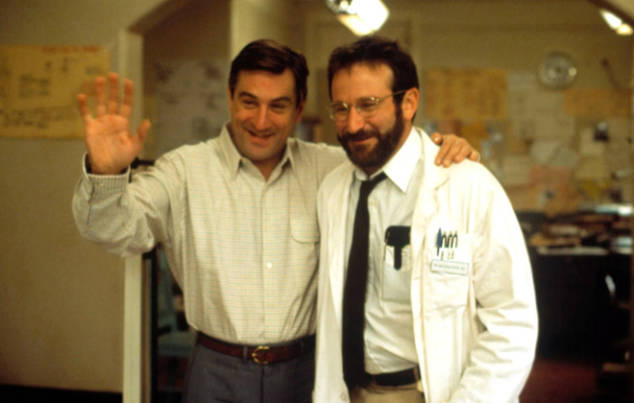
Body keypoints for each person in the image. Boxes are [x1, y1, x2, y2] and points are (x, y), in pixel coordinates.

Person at [72, 39, 477, 403]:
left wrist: (442, 149)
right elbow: (115, 231)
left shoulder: (332, 170)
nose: (261, 121)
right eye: (249, 102)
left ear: (298, 108)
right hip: (216, 370)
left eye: (278, 106)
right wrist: (106, 173)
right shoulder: (184, 171)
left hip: (306, 373)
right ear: (230, 97)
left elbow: (391, 155)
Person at [313, 36, 538, 403]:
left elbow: (511, 319)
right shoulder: (332, 189)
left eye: (368, 105)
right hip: (348, 392)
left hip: (431, 393)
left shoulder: (467, 186)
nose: (353, 124)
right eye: (341, 108)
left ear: (409, 102)